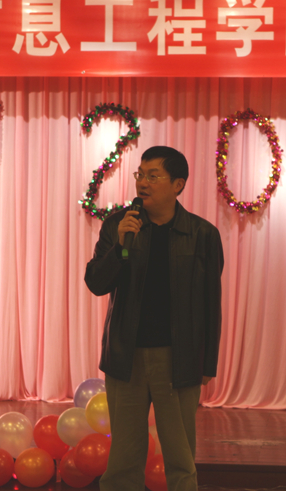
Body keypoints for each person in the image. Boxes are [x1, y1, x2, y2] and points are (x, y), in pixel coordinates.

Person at [85, 146, 224, 491]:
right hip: (126, 357)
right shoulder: (119, 225)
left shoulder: (202, 234)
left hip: (179, 359)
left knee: (180, 456)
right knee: (123, 459)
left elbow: (211, 304)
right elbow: (96, 283)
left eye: (153, 176)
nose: (142, 183)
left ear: (178, 184)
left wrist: (207, 362)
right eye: (140, 175)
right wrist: (120, 248)